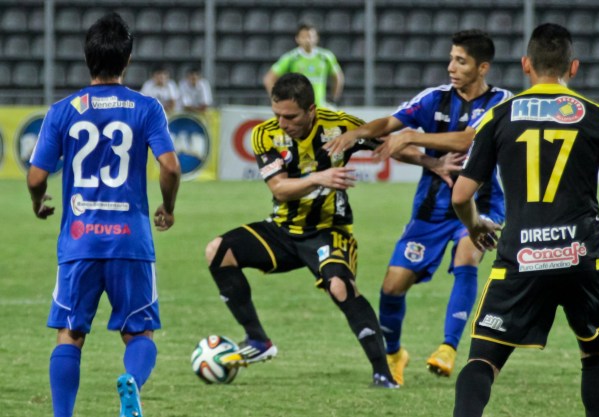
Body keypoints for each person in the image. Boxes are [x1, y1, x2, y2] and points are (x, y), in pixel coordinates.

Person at [451, 23, 599, 417]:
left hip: (521, 257)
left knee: (482, 359)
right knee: (596, 351)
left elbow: (461, 195)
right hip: (583, 256)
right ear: (573, 67)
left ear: (525, 65)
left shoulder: (498, 117)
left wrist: (475, 226)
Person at [324, 29, 512, 385]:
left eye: (461, 61)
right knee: (392, 286)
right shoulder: (434, 98)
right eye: (451, 58)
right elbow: (390, 124)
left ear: (482, 67)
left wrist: (413, 136)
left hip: (480, 203)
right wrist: (357, 132)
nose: (451, 67)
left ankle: (448, 348)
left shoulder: (502, 102)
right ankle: (394, 353)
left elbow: (468, 139)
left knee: (467, 256)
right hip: (431, 209)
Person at [205, 73, 408, 388]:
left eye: (291, 116)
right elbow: (280, 188)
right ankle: (258, 341)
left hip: (328, 231)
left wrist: (433, 164)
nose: (283, 123)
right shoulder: (265, 134)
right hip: (282, 231)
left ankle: (382, 371)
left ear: (311, 110)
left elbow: (391, 144)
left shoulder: (339, 126)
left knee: (340, 286)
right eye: (277, 115)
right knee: (218, 251)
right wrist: (319, 178)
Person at [27, 13, 181, 417]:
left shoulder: (63, 110)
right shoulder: (146, 107)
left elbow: (36, 175)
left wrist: (38, 201)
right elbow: (171, 167)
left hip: (79, 240)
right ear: (127, 60)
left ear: (87, 57)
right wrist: (168, 206)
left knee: (70, 334)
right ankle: (131, 382)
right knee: (139, 332)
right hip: (130, 238)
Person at [263, 23, 344, 107]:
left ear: (317, 38)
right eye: (304, 37)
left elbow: (338, 77)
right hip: (298, 108)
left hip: (319, 107)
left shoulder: (326, 57)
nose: (308, 40)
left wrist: (334, 98)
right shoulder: (291, 58)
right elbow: (269, 79)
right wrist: (277, 99)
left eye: (310, 36)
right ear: (297, 39)